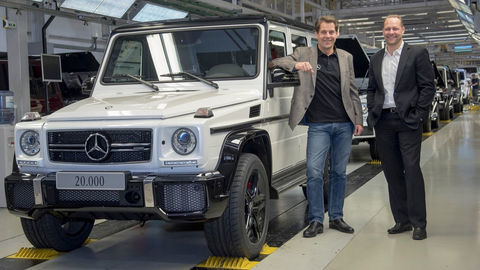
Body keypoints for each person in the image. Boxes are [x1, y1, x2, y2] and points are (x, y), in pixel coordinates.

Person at [272, 15, 363, 238]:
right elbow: (276, 62)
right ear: (316, 34)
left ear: (337, 34)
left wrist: (358, 119)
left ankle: (336, 216)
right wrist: (296, 65)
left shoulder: (346, 57)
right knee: (313, 172)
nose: (328, 36)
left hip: (344, 123)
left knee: (339, 173)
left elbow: (352, 91)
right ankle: (315, 219)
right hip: (319, 125)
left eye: (332, 32)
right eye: (323, 32)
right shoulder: (305, 53)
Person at [366, 15, 435, 240]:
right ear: (383, 31)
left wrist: (419, 115)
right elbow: (372, 89)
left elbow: (427, 87)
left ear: (403, 30)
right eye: (387, 29)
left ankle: (419, 223)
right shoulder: (376, 58)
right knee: (392, 172)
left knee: (412, 169)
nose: (391, 32)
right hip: (384, 122)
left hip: (408, 121)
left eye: (395, 28)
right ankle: (402, 220)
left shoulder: (416, 54)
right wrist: (373, 111)